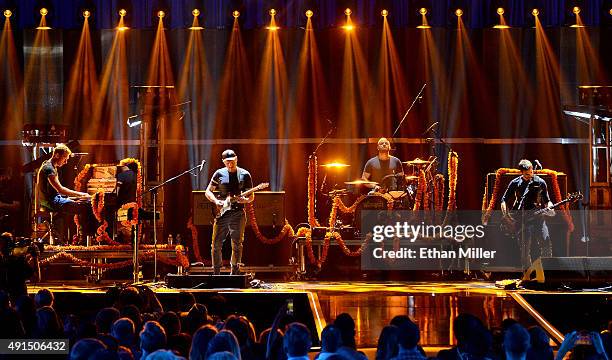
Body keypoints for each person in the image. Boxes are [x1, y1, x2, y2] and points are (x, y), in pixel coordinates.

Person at [205, 149, 254, 275]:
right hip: (222, 213)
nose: (230, 164)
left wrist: (245, 200)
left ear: (236, 159)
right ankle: (216, 272)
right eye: (227, 162)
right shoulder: (219, 174)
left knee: (237, 244)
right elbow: (208, 191)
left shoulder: (244, 174)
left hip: (238, 213)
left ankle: (235, 272)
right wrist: (216, 201)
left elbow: (251, 197)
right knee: (216, 244)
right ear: (223, 162)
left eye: (232, 161)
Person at [501, 159, 555, 269]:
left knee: (546, 243)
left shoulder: (540, 182)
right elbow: (504, 200)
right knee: (525, 249)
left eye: (531, 172)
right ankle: (528, 275)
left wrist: (550, 207)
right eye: (526, 174)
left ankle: (547, 272)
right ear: (521, 172)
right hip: (522, 218)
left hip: (538, 217)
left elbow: (547, 199)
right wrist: (506, 216)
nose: (530, 175)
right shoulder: (515, 182)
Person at [36, 144, 94, 237]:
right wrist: (81, 194)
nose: (66, 162)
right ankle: (86, 237)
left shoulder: (49, 164)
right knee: (87, 207)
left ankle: (85, 236)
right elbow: (60, 189)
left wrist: (77, 197)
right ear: (57, 155)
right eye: (65, 158)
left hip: (54, 198)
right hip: (51, 202)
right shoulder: (49, 168)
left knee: (86, 202)